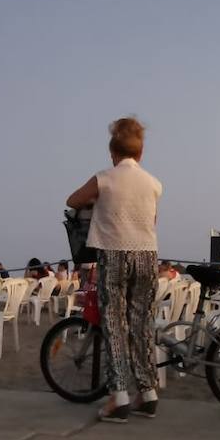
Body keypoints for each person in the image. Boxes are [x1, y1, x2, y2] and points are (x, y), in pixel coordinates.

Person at [66, 117, 162, 423]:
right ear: (141, 152)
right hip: (147, 255)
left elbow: (73, 200)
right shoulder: (153, 183)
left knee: (114, 325)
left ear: (112, 152)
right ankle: (147, 394)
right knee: (141, 324)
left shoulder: (105, 178)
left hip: (115, 253)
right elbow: (152, 222)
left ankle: (119, 397)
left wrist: (97, 201)